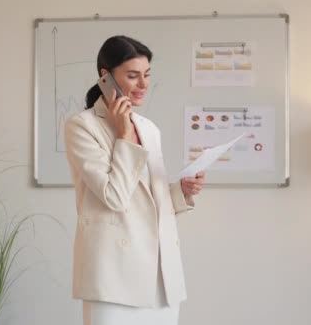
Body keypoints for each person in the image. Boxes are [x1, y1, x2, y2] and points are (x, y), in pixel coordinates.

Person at [64, 35, 205, 325]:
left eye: (147, 75)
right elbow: (114, 196)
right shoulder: (81, 126)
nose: (143, 85)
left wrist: (180, 191)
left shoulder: (149, 128)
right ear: (106, 77)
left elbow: (146, 197)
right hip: (113, 277)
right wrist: (123, 134)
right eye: (132, 76)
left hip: (161, 275)